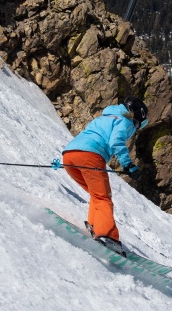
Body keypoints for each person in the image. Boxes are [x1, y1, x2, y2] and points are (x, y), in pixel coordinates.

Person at [61, 96, 148, 255]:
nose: (136, 128)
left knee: (97, 194)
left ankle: (95, 225)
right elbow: (116, 142)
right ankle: (107, 236)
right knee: (103, 197)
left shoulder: (104, 118)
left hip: (69, 156)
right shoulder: (125, 121)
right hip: (90, 156)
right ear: (135, 116)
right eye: (138, 124)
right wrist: (128, 165)